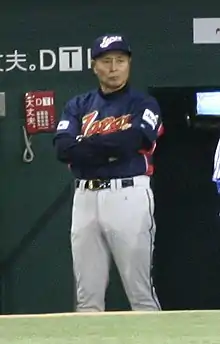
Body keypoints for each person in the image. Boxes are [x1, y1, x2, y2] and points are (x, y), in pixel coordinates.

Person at [53, 34, 164, 312]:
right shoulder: (78, 105)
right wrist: (111, 147)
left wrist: (86, 145)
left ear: (129, 64)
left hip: (128, 194)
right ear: (94, 66)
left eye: (120, 60)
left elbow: (137, 140)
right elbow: (64, 148)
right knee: (87, 299)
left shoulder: (143, 104)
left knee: (141, 295)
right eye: (106, 61)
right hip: (85, 198)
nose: (114, 67)